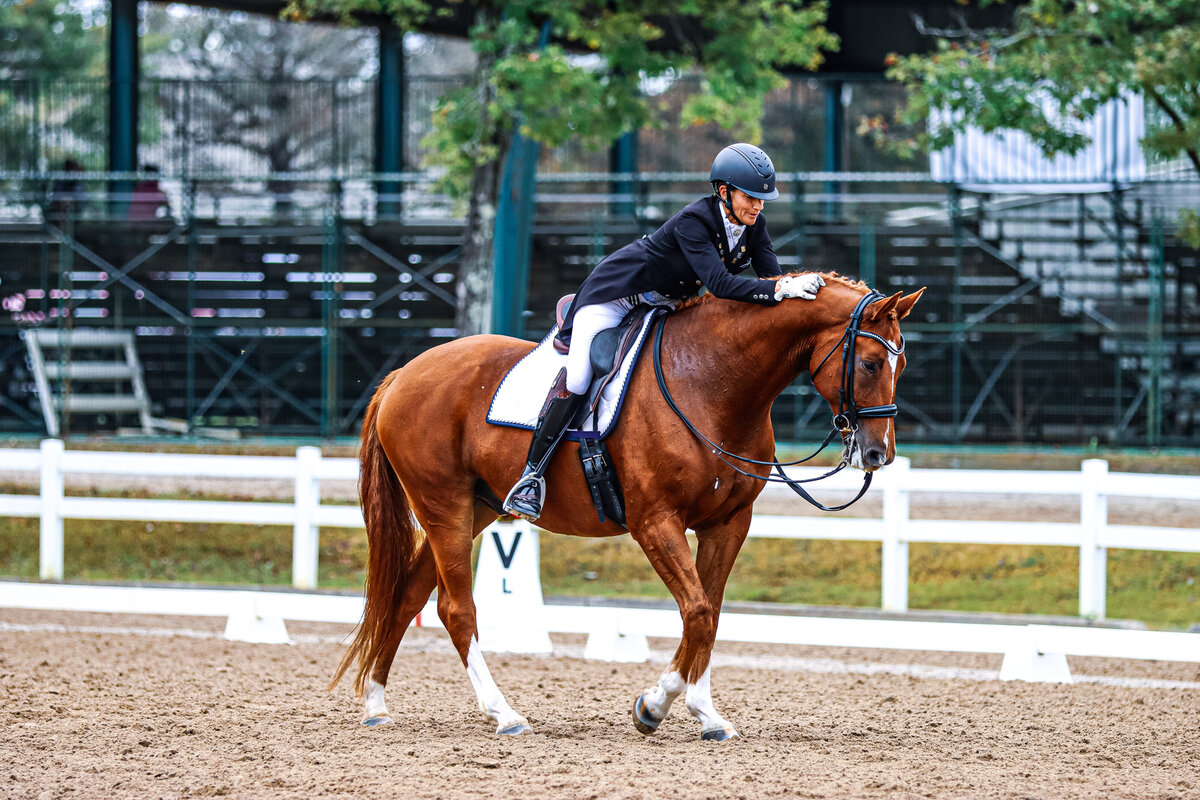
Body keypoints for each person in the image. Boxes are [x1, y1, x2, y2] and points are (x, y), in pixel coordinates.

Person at [502, 143, 826, 521]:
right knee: (578, 376)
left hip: (664, 305)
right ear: (724, 192)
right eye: (750, 197)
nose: (757, 206)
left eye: (762, 199)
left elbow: (772, 278)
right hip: (616, 297)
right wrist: (777, 289)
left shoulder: (754, 226)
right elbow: (720, 284)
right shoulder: (695, 221)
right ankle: (532, 475)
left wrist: (798, 290)